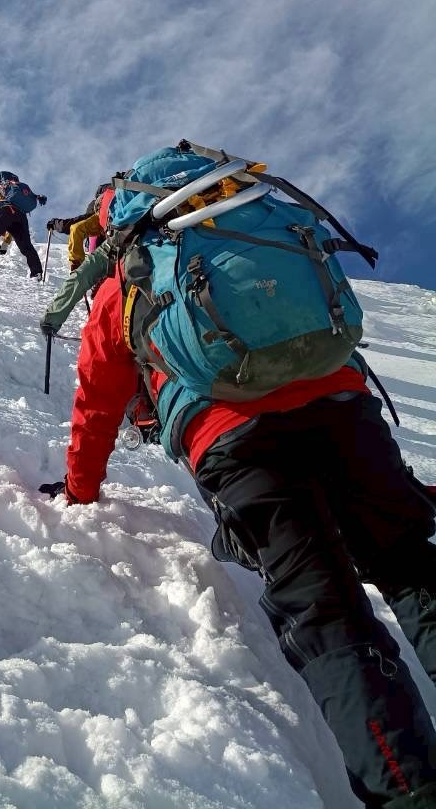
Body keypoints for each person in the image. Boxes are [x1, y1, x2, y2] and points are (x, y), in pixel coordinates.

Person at [40, 146, 436, 808]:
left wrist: (81, 489)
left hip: (232, 441)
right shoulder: (253, 224)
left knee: (326, 612)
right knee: (411, 566)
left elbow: (97, 404)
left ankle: (408, 788)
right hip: (343, 408)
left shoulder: (127, 282)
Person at [46, 183, 115, 271]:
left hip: (101, 244)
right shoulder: (118, 196)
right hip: (119, 239)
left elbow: (73, 224)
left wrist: (55, 223)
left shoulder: (99, 206)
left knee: (80, 230)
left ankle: (77, 268)